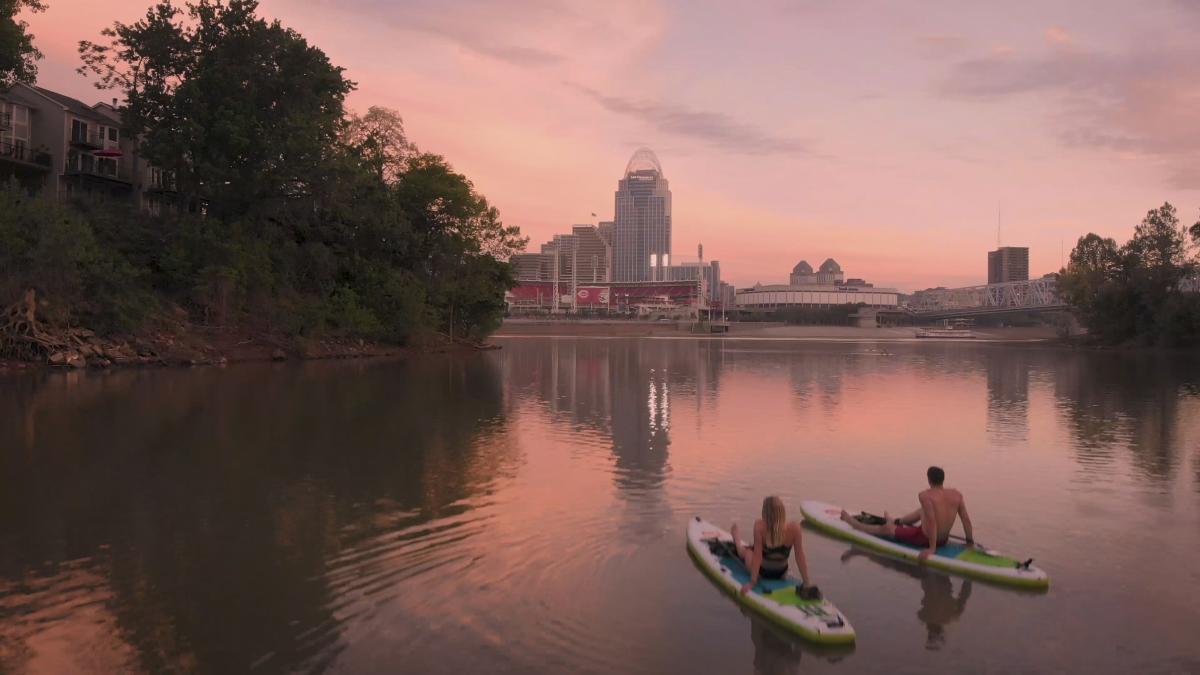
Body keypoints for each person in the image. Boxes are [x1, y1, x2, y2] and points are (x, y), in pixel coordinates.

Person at [839, 466, 974, 561]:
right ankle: (897, 521)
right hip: (943, 540)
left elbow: (932, 521)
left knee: (887, 529)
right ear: (942, 479)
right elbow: (966, 520)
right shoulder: (956, 495)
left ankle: (852, 522)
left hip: (925, 539)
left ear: (929, 479)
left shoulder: (926, 496)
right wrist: (969, 542)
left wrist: (931, 549)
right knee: (923, 511)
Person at [732, 495, 813, 594]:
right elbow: (800, 556)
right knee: (756, 551)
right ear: (783, 511)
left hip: (762, 573)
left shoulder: (759, 526)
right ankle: (741, 542)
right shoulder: (795, 528)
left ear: (765, 513)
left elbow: (758, 556)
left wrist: (752, 582)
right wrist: (806, 582)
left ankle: (737, 540)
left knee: (746, 552)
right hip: (781, 574)